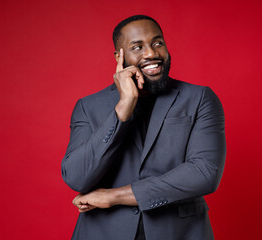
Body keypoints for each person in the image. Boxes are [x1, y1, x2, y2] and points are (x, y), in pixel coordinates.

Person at [61, 15, 226, 240]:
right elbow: (77, 178)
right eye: (137, 47)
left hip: (179, 233)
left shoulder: (200, 99)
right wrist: (123, 109)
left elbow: (204, 173)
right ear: (119, 56)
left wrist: (115, 196)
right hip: (102, 232)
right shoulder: (88, 107)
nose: (151, 53)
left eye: (158, 43)